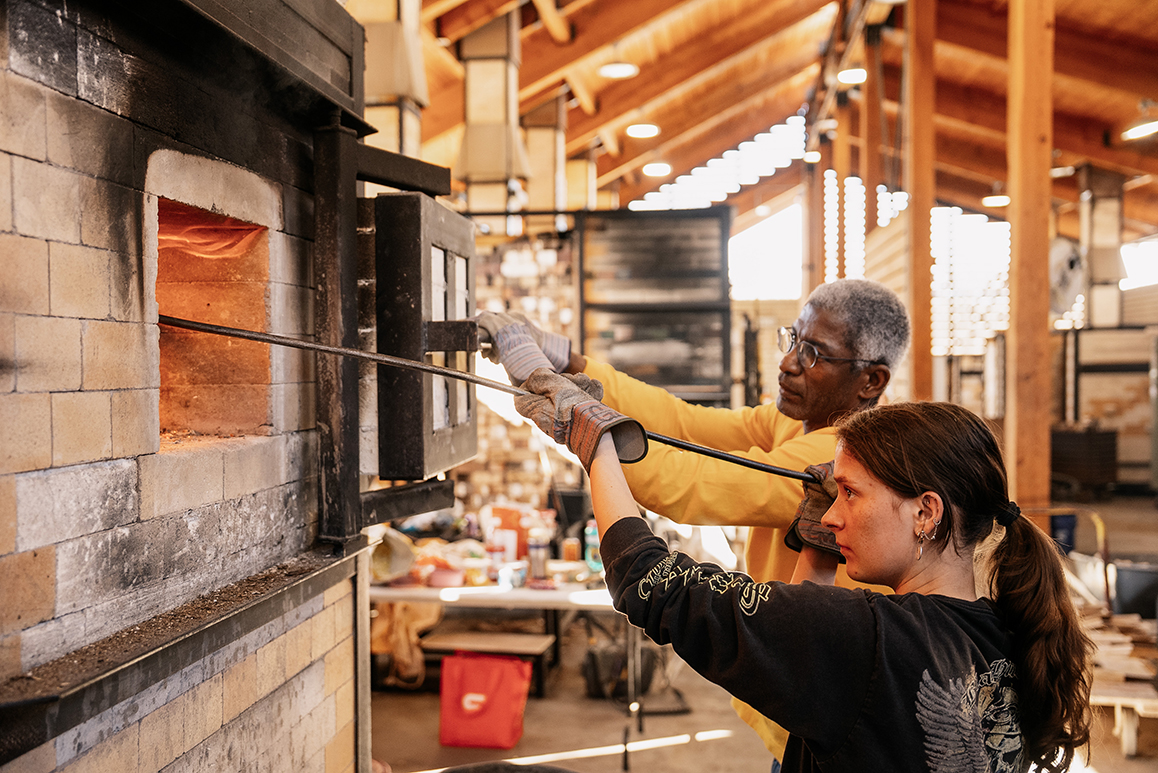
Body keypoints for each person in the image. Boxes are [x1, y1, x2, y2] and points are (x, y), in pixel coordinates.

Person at [515, 385, 1094, 772]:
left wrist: (597, 452)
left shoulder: (867, 636)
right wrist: (818, 547)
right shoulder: (1004, 629)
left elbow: (651, 582)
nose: (835, 513)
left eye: (851, 493)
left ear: (927, 512)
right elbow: (820, 661)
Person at [478, 279, 911, 756]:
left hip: (826, 703)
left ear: (872, 380)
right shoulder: (796, 421)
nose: (788, 362)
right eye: (792, 339)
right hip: (798, 686)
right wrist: (568, 361)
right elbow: (686, 423)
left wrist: (585, 428)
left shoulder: (838, 457)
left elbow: (692, 482)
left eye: (813, 353)